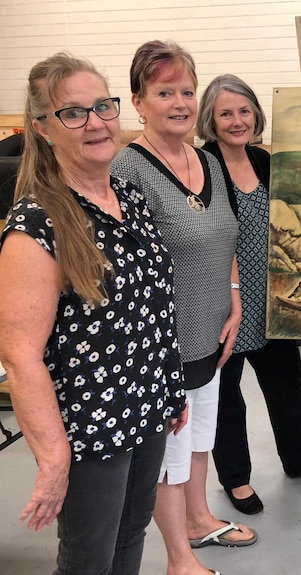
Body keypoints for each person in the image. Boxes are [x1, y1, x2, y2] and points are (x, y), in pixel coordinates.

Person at [0, 52, 185, 574]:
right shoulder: (37, 224)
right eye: (73, 113)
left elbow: (151, 306)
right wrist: (55, 459)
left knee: (130, 537)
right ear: (42, 128)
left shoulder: (126, 195)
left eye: (102, 106)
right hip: (89, 427)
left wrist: (167, 387)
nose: (96, 123)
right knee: (89, 557)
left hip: (146, 406)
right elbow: (19, 356)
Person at [112, 41, 256, 575]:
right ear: (138, 101)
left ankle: (199, 518)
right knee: (167, 456)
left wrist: (235, 299)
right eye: (164, 92)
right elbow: (127, 275)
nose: (179, 103)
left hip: (212, 332)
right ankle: (178, 557)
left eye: (187, 91)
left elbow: (227, 238)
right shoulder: (128, 171)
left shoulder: (206, 161)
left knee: (200, 438)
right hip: (164, 347)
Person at [196, 74, 301, 516]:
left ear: (257, 115)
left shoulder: (263, 161)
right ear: (211, 119)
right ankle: (236, 479)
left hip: (271, 302)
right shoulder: (201, 166)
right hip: (223, 300)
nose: (237, 121)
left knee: (285, 382)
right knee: (226, 395)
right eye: (226, 113)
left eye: (245, 111)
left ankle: (298, 458)